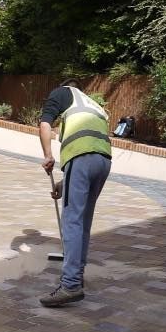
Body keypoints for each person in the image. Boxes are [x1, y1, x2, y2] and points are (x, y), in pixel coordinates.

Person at [38, 79, 111, 306]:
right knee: (83, 222)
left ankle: (70, 285)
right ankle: (76, 277)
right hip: (103, 161)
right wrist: (64, 182)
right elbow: (90, 148)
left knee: (72, 222)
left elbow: (44, 124)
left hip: (81, 159)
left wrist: (48, 155)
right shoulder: (93, 105)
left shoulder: (63, 92)